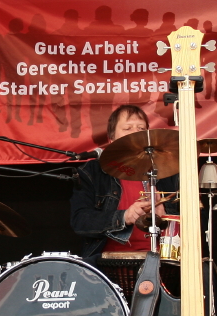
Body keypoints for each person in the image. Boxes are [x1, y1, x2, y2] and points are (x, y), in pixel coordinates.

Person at [70, 104, 178, 267]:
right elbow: (80, 221)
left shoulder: (168, 170)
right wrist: (124, 217)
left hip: (163, 261)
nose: (135, 133)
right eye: (127, 128)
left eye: (141, 128)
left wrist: (167, 214)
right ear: (111, 140)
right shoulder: (92, 172)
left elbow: (197, 217)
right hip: (109, 264)